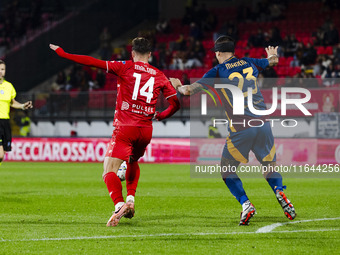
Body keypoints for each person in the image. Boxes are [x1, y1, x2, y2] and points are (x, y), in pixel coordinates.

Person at [49, 37, 180, 227]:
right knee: (133, 161)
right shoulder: (159, 75)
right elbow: (175, 104)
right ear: (150, 55)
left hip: (125, 128)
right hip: (145, 130)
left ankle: (119, 204)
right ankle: (131, 200)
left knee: (108, 170)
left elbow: (92, 62)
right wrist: (160, 116)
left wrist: (63, 53)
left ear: (133, 53)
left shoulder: (125, 67)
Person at [170, 36, 296, 225]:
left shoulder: (218, 71)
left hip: (241, 128)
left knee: (226, 170)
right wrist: (273, 55)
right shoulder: (249, 62)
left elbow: (189, 91)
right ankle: (279, 190)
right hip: (263, 123)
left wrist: (177, 85)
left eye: (216, 53)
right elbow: (273, 62)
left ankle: (246, 204)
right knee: (269, 166)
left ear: (219, 53)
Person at [0, 60, 33, 166]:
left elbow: (12, 103)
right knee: (0, 154)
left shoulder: (9, 86)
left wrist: (23, 106)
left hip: (5, 122)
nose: (0, 71)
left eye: (2, 69)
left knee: (3, 154)